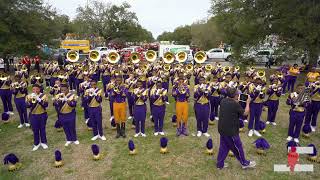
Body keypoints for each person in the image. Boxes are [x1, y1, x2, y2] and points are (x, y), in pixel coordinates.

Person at [217, 87, 256, 169]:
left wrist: (236, 102)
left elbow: (231, 109)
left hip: (222, 129)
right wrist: (248, 103)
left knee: (224, 147)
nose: (239, 95)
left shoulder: (223, 101)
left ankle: (220, 164)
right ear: (234, 96)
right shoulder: (235, 104)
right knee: (238, 148)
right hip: (231, 131)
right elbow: (245, 113)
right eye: (237, 94)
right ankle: (244, 163)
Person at [26, 84, 49, 151]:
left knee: (42, 129)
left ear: (39, 89)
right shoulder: (29, 96)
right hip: (33, 115)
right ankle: (36, 143)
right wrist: (31, 101)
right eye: (33, 89)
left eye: (37, 89)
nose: (35, 90)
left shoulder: (43, 96)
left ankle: (43, 142)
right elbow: (27, 106)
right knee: (35, 130)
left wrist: (39, 99)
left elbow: (46, 105)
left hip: (42, 114)